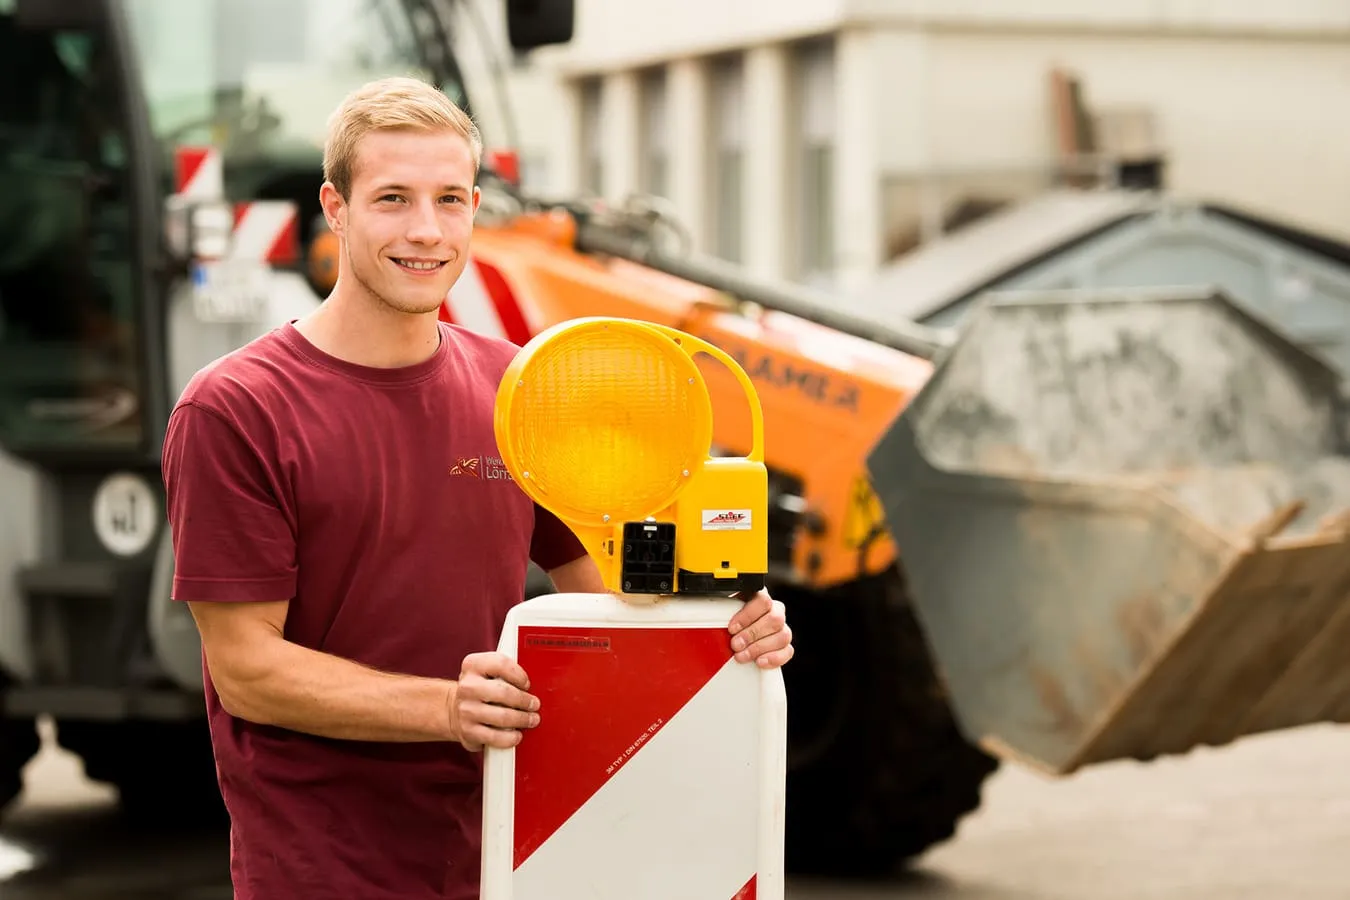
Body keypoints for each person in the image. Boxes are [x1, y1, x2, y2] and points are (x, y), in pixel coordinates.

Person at [160, 75, 794, 900]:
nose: (426, 231)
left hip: (512, 854)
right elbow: (248, 671)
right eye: (392, 198)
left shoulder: (521, 389)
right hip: (322, 871)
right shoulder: (237, 408)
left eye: (450, 199)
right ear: (336, 206)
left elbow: (604, 591)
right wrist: (448, 709)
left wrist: (723, 633)